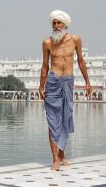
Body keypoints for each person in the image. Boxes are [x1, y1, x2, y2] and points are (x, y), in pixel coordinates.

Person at [39, 10, 92, 170]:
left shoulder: (75, 40)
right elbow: (45, 65)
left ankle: (62, 155)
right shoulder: (47, 42)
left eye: (59, 23)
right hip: (53, 82)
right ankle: (55, 158)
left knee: (65, 118)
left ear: (65, 24)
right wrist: (41, 86)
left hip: (68, 82)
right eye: (54, 23)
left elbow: (81, 61)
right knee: (53, 121)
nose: (56, 26)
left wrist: (88, 82)